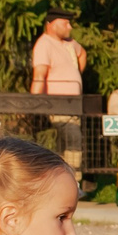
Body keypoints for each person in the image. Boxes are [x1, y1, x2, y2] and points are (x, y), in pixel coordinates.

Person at [29, 11, 89, 176]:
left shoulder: (70, 43)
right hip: (59, 104)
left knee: (64, 144)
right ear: (51, 24)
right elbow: (39, 75)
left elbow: (82, 53)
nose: (69, 27)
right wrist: (32, 103)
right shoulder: (44, 44)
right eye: (65, 23)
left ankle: (60, 180)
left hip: (74, 104)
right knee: (73, 138)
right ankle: (73, 180)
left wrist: (75, 74)